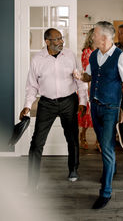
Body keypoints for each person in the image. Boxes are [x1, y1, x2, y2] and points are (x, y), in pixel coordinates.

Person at [74, 21, 123, 209]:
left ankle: (105, 192)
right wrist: (80, 76)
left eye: (96, 34)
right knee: (102, 142)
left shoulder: (121, 57)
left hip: (110, 108)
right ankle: (112, 168)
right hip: (95, 106)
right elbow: (89, 76)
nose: (92, 37)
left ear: (105, 38)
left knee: (107, 148)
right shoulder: (93, 55)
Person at [19, 28, 87, 193]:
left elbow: (80, 80)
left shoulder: (70, 55)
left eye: (61, 38)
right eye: (57, 39)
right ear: (47, 42)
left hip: (68, 102)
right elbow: (32, 85)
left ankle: (73, 168)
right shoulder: (37, 59)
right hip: (46, 104)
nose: (61, 42)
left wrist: (83, 101)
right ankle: (32, 181)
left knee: (72, 138)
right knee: (36, 143)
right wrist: (27, 105)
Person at [78, 28, 94, 150]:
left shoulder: (102, 50)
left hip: (100, 84)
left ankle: (99, 141)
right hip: (88, 83)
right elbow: (86, 70)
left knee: (98, 114)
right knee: (87, 113)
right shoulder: (87, 51)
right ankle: (83, 134)